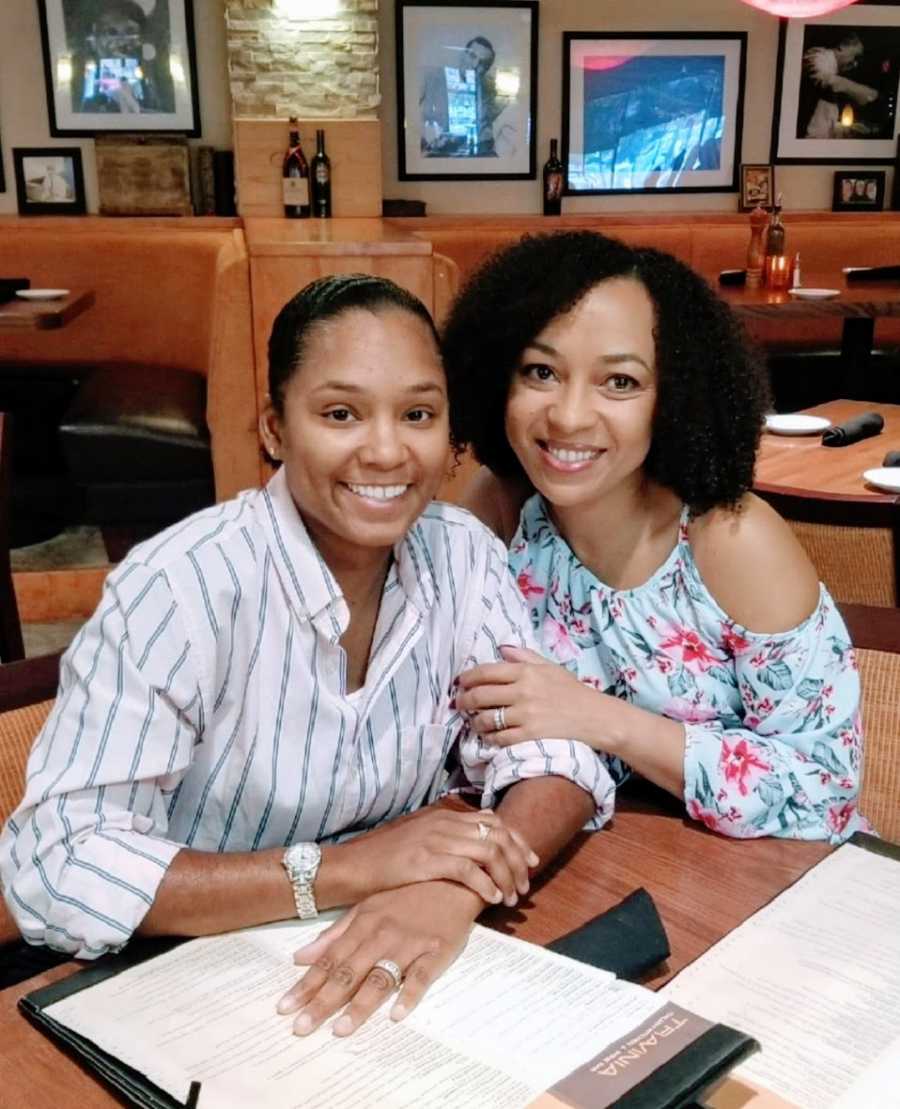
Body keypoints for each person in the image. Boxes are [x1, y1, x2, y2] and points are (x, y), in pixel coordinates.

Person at [0, 274, 604, 1035]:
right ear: (276, 429)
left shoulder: (464, 558)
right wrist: (349, 867)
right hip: (178, 974)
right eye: (341, 412)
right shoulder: (183, 586)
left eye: (417, 413)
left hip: (373, 953)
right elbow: (57, 866)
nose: (386, 450)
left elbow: (558, 751)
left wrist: (455, 887)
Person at [443, 231, 864, 844]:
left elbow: (825, 792)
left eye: (619, 383)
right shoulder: (503, 508)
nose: (568, 416)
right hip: (594, 860)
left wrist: (601, 720)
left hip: (774, 885)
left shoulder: (730, 539)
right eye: (541, 372)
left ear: (674, 396)